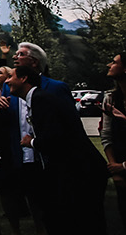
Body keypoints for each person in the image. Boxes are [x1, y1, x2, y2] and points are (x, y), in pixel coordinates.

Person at [8, 58, 106, 233]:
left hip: (81, 169)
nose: (7, 81)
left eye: (11, 77)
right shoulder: (38, 98)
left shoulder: (40, 100)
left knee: (84, 221)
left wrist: (30, 142)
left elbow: (54, 138)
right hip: (72, 168)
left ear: (23, 79)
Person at [103, 52, 126, 231]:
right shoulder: (110, 98)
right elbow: (106, 135)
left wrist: (123, 166)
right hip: (119, 165)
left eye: (114, 62)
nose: (109, 65)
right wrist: (114, 167)